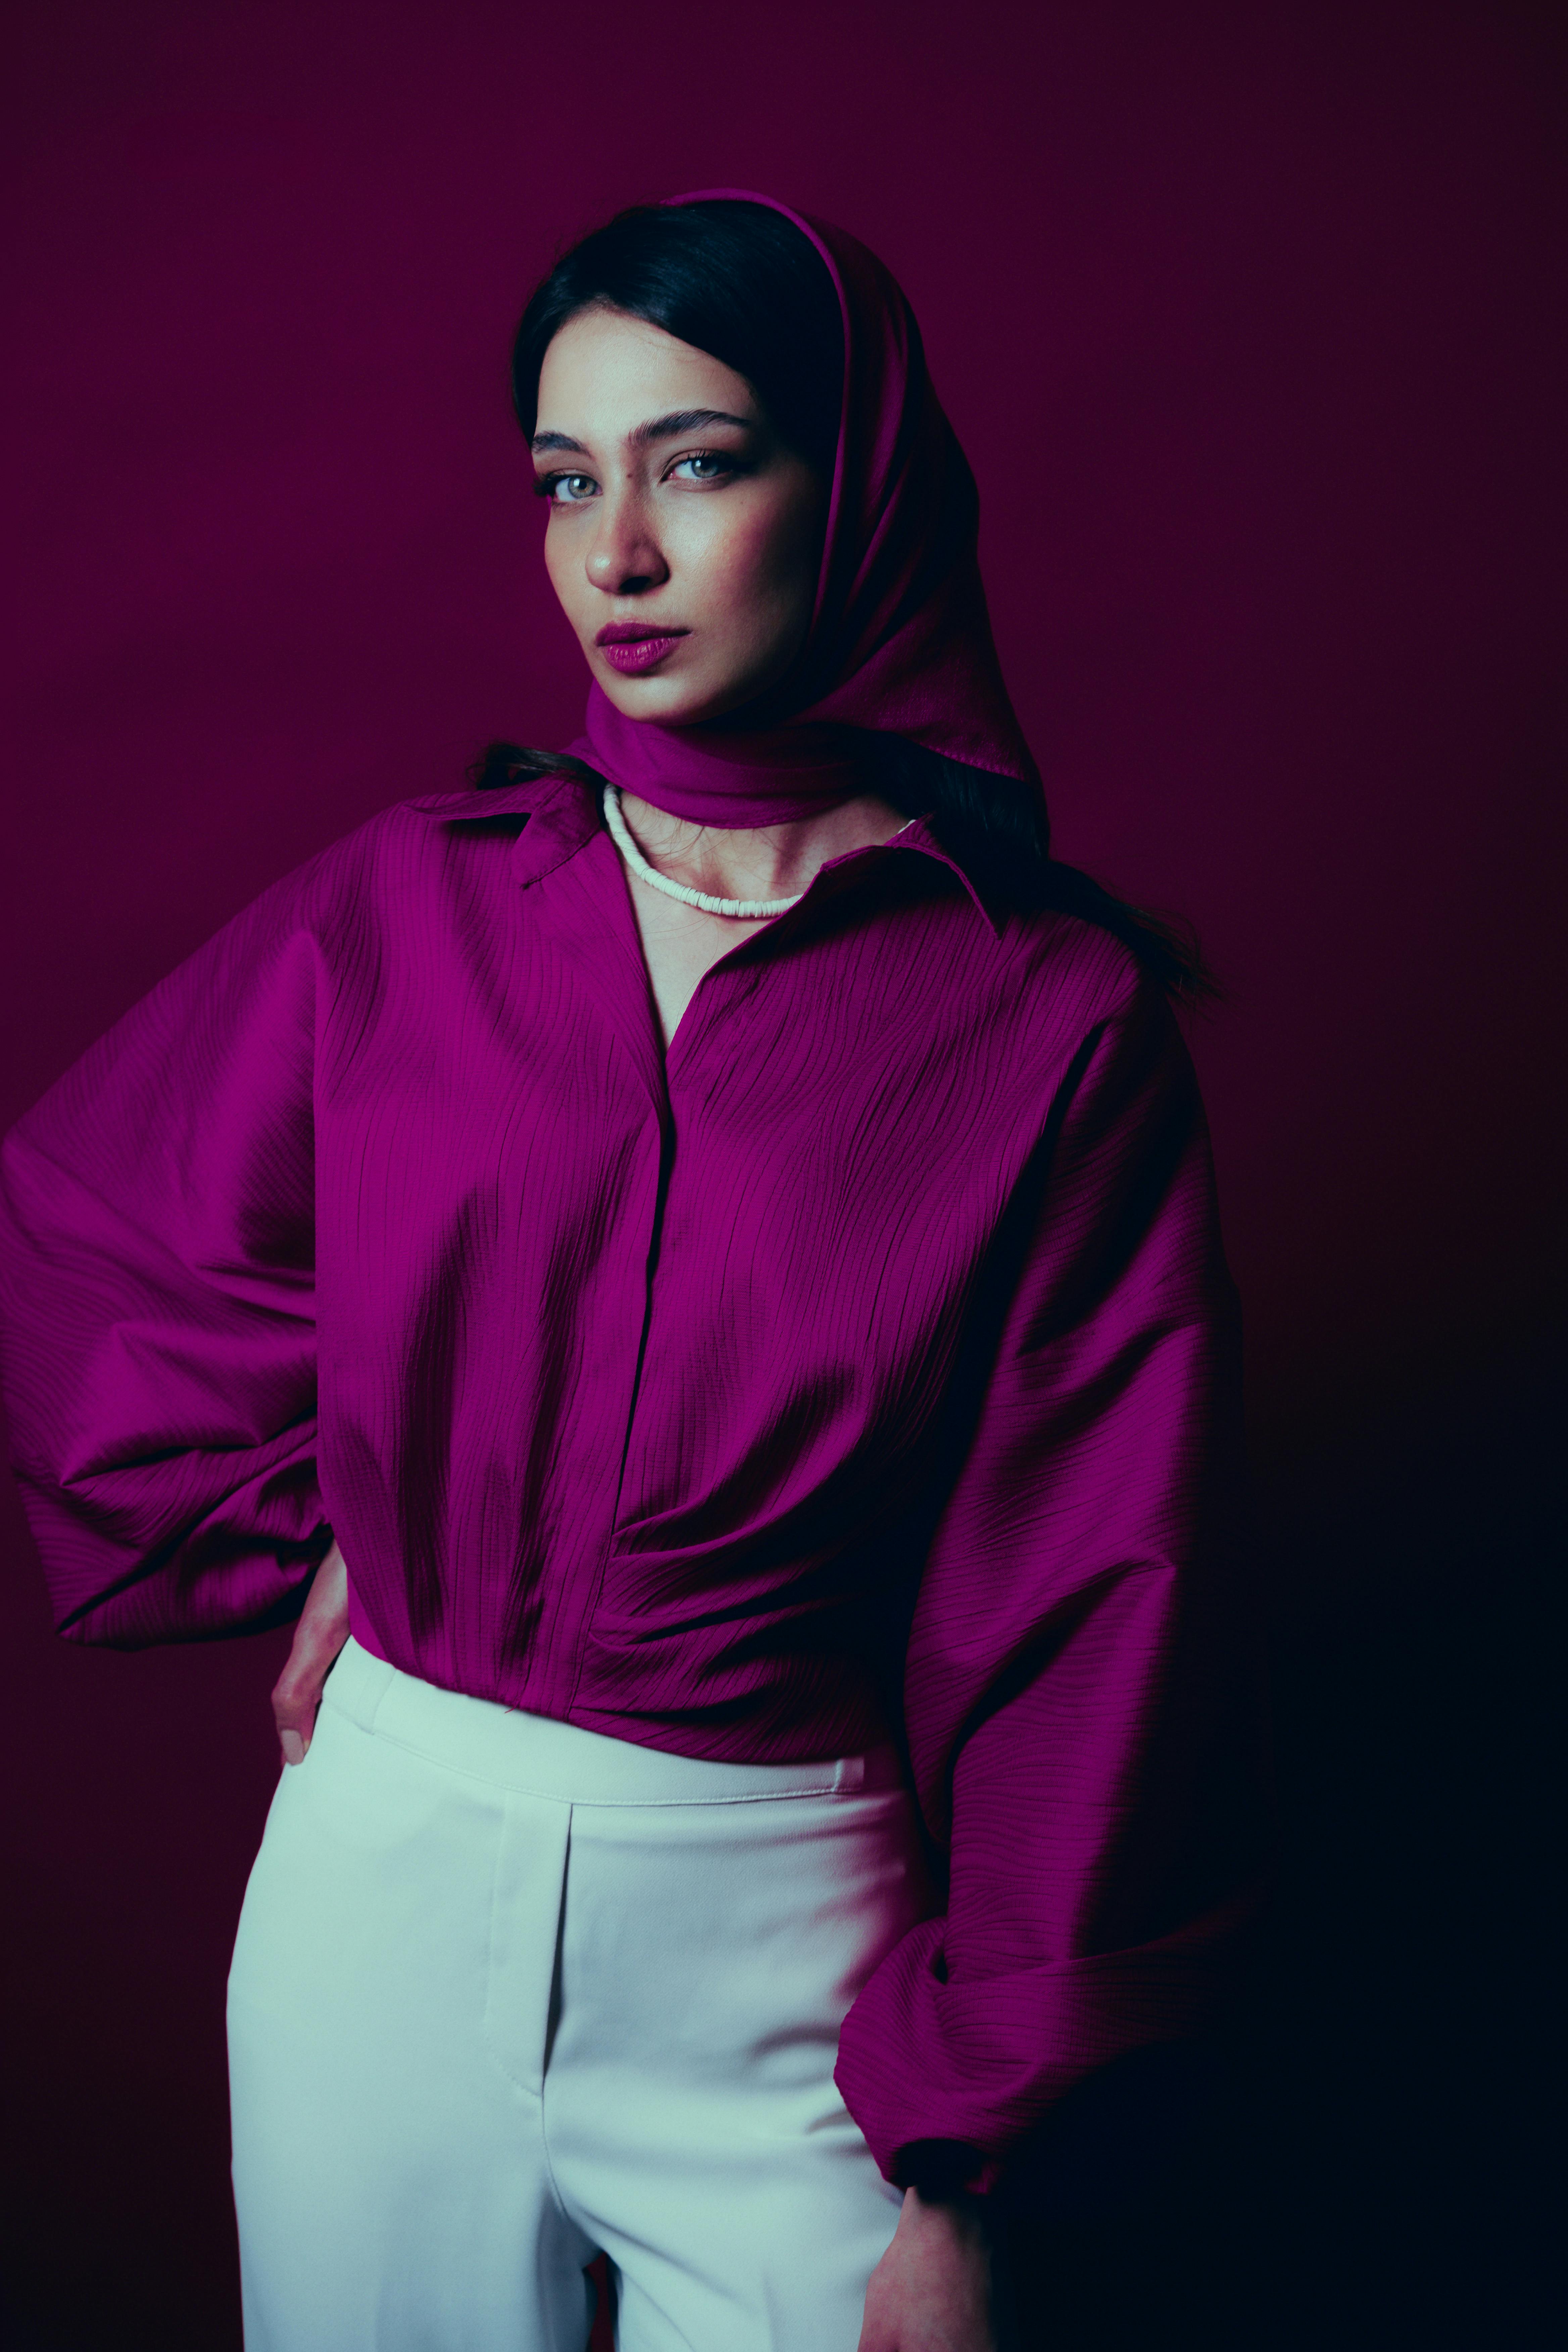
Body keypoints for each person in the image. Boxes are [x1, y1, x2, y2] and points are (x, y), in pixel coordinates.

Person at [0, 191, 1267, 2352]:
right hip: (379, 1890)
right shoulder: (413, 903)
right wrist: (365, 1514)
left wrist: (961, 2165)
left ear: (852, 488)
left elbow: (1086, 1596)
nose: (619, 556)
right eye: (567, 482)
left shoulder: (1046, 1018)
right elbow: (84, 1232)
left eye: (698, 463)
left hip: (789, 1951)